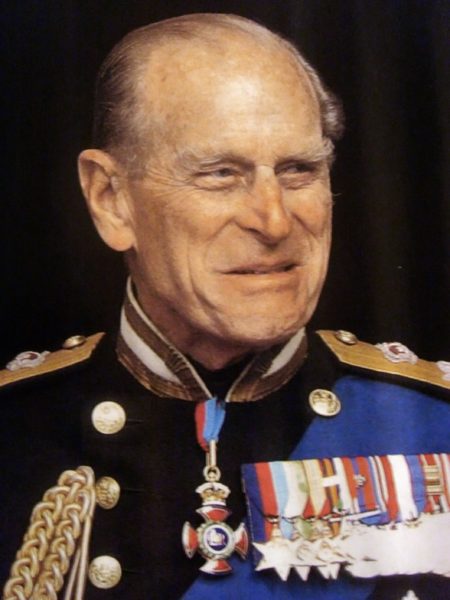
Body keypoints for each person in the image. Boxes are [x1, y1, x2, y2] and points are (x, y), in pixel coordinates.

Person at [1, 13, 449, 600]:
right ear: (111, 199)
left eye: (299, 170)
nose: (274, 220)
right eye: (219, 174)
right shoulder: (18, 429)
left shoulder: (427, 422)